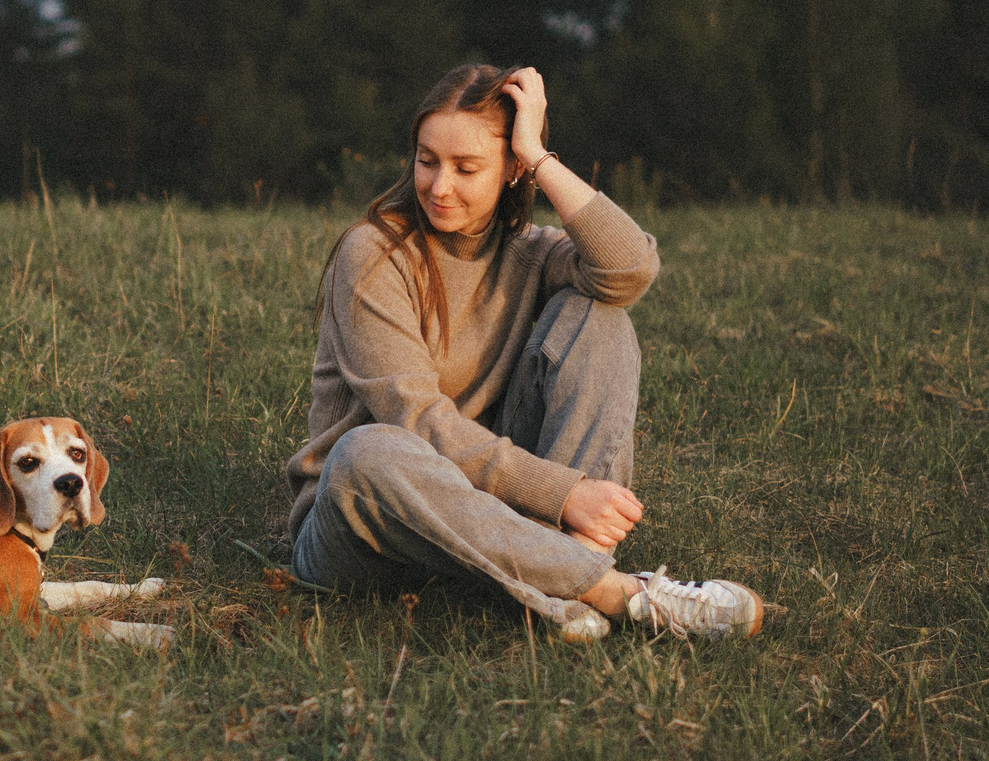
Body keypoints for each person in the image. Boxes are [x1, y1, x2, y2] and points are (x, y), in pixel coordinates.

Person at [285, 63, 766, 641]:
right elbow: (418, 422)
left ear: (511, 170)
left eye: (466, 168)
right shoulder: (375, 252)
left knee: (600, 316)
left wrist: (538, 154)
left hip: (486, 513)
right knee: (367, 450)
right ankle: (617, 593)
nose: (439, 186)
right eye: (427, 160)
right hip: (366, 530)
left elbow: (630, 268)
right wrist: (563, 493)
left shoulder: (527, 250)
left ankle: (561, 566)